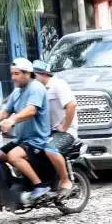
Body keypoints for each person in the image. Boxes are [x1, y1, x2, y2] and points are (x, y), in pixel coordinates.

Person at [0, 58, 52, 204]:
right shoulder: (16, 92)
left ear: (27, 74)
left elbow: (31, 110)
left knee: (13, 156)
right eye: (12, 74)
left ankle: (39, 186)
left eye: (16, 74)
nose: (13, 77)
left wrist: (13, 120)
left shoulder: (36, 88)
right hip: (21, 139)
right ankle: (14, 183)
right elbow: (5, 112)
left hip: (37, 139)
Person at [32, 59, 78, 194]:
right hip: (47, 132)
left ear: (43, 74)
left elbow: (71, 105)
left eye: (34, 75)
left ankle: (65, 181)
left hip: (66, 131)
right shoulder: (36, 90)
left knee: (50, 150)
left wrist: (65, 126)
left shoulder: (58, 85)